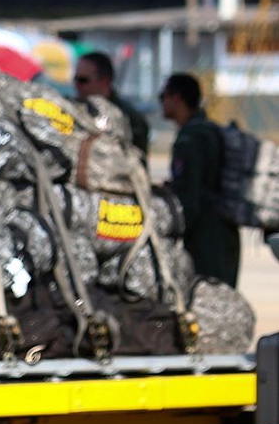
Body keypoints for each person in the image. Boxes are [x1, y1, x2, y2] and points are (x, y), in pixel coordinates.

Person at [160, 73, 240, 287]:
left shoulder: (189, 139)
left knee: (207, 304)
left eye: (163, 96)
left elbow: (189, 199)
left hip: (206, 239)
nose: (162, 102)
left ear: (176, 98)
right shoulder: (211, 130)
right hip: (226, 233)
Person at [74, 51, 150, 157]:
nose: (77, 85)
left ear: (105, 81)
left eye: (83, 80)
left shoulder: (128, 117)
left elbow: (136, 163)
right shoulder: (77, 112)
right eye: (75, 79)